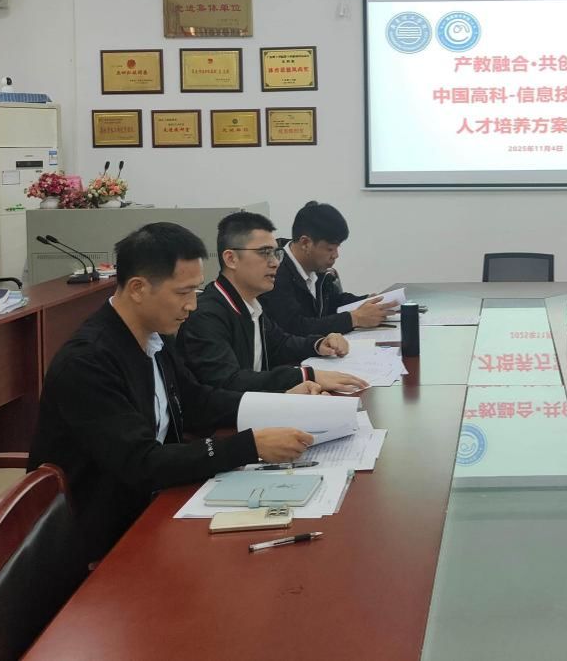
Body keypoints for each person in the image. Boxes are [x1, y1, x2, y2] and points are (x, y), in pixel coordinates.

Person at [29, 222, 315, 563]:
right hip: (102, 537)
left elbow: (197, 401)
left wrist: (280, 404)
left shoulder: (154, 337)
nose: (193, 305)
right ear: (137, 288)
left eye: (196, 290)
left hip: (155, 505)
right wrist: (249, 446)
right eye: (183, 293)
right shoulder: (88, 362)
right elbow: (142, 461)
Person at [175, 211, 370, 384]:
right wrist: (304, 376)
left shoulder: (251, 303)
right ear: (231, 259)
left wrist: (318, 344)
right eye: (264, 253)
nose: (275, 262)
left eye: (275, 253)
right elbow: (230, 380)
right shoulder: (207, 315)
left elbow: (280, 344)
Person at [261, 201, 393, 336]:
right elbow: (295, 328)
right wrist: (354, 319)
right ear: (305, 243)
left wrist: (368, 301)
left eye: (337, 248)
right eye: (330, 249)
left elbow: (333, 302)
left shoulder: (316, 269)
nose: (336, 255)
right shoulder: (274, 274)